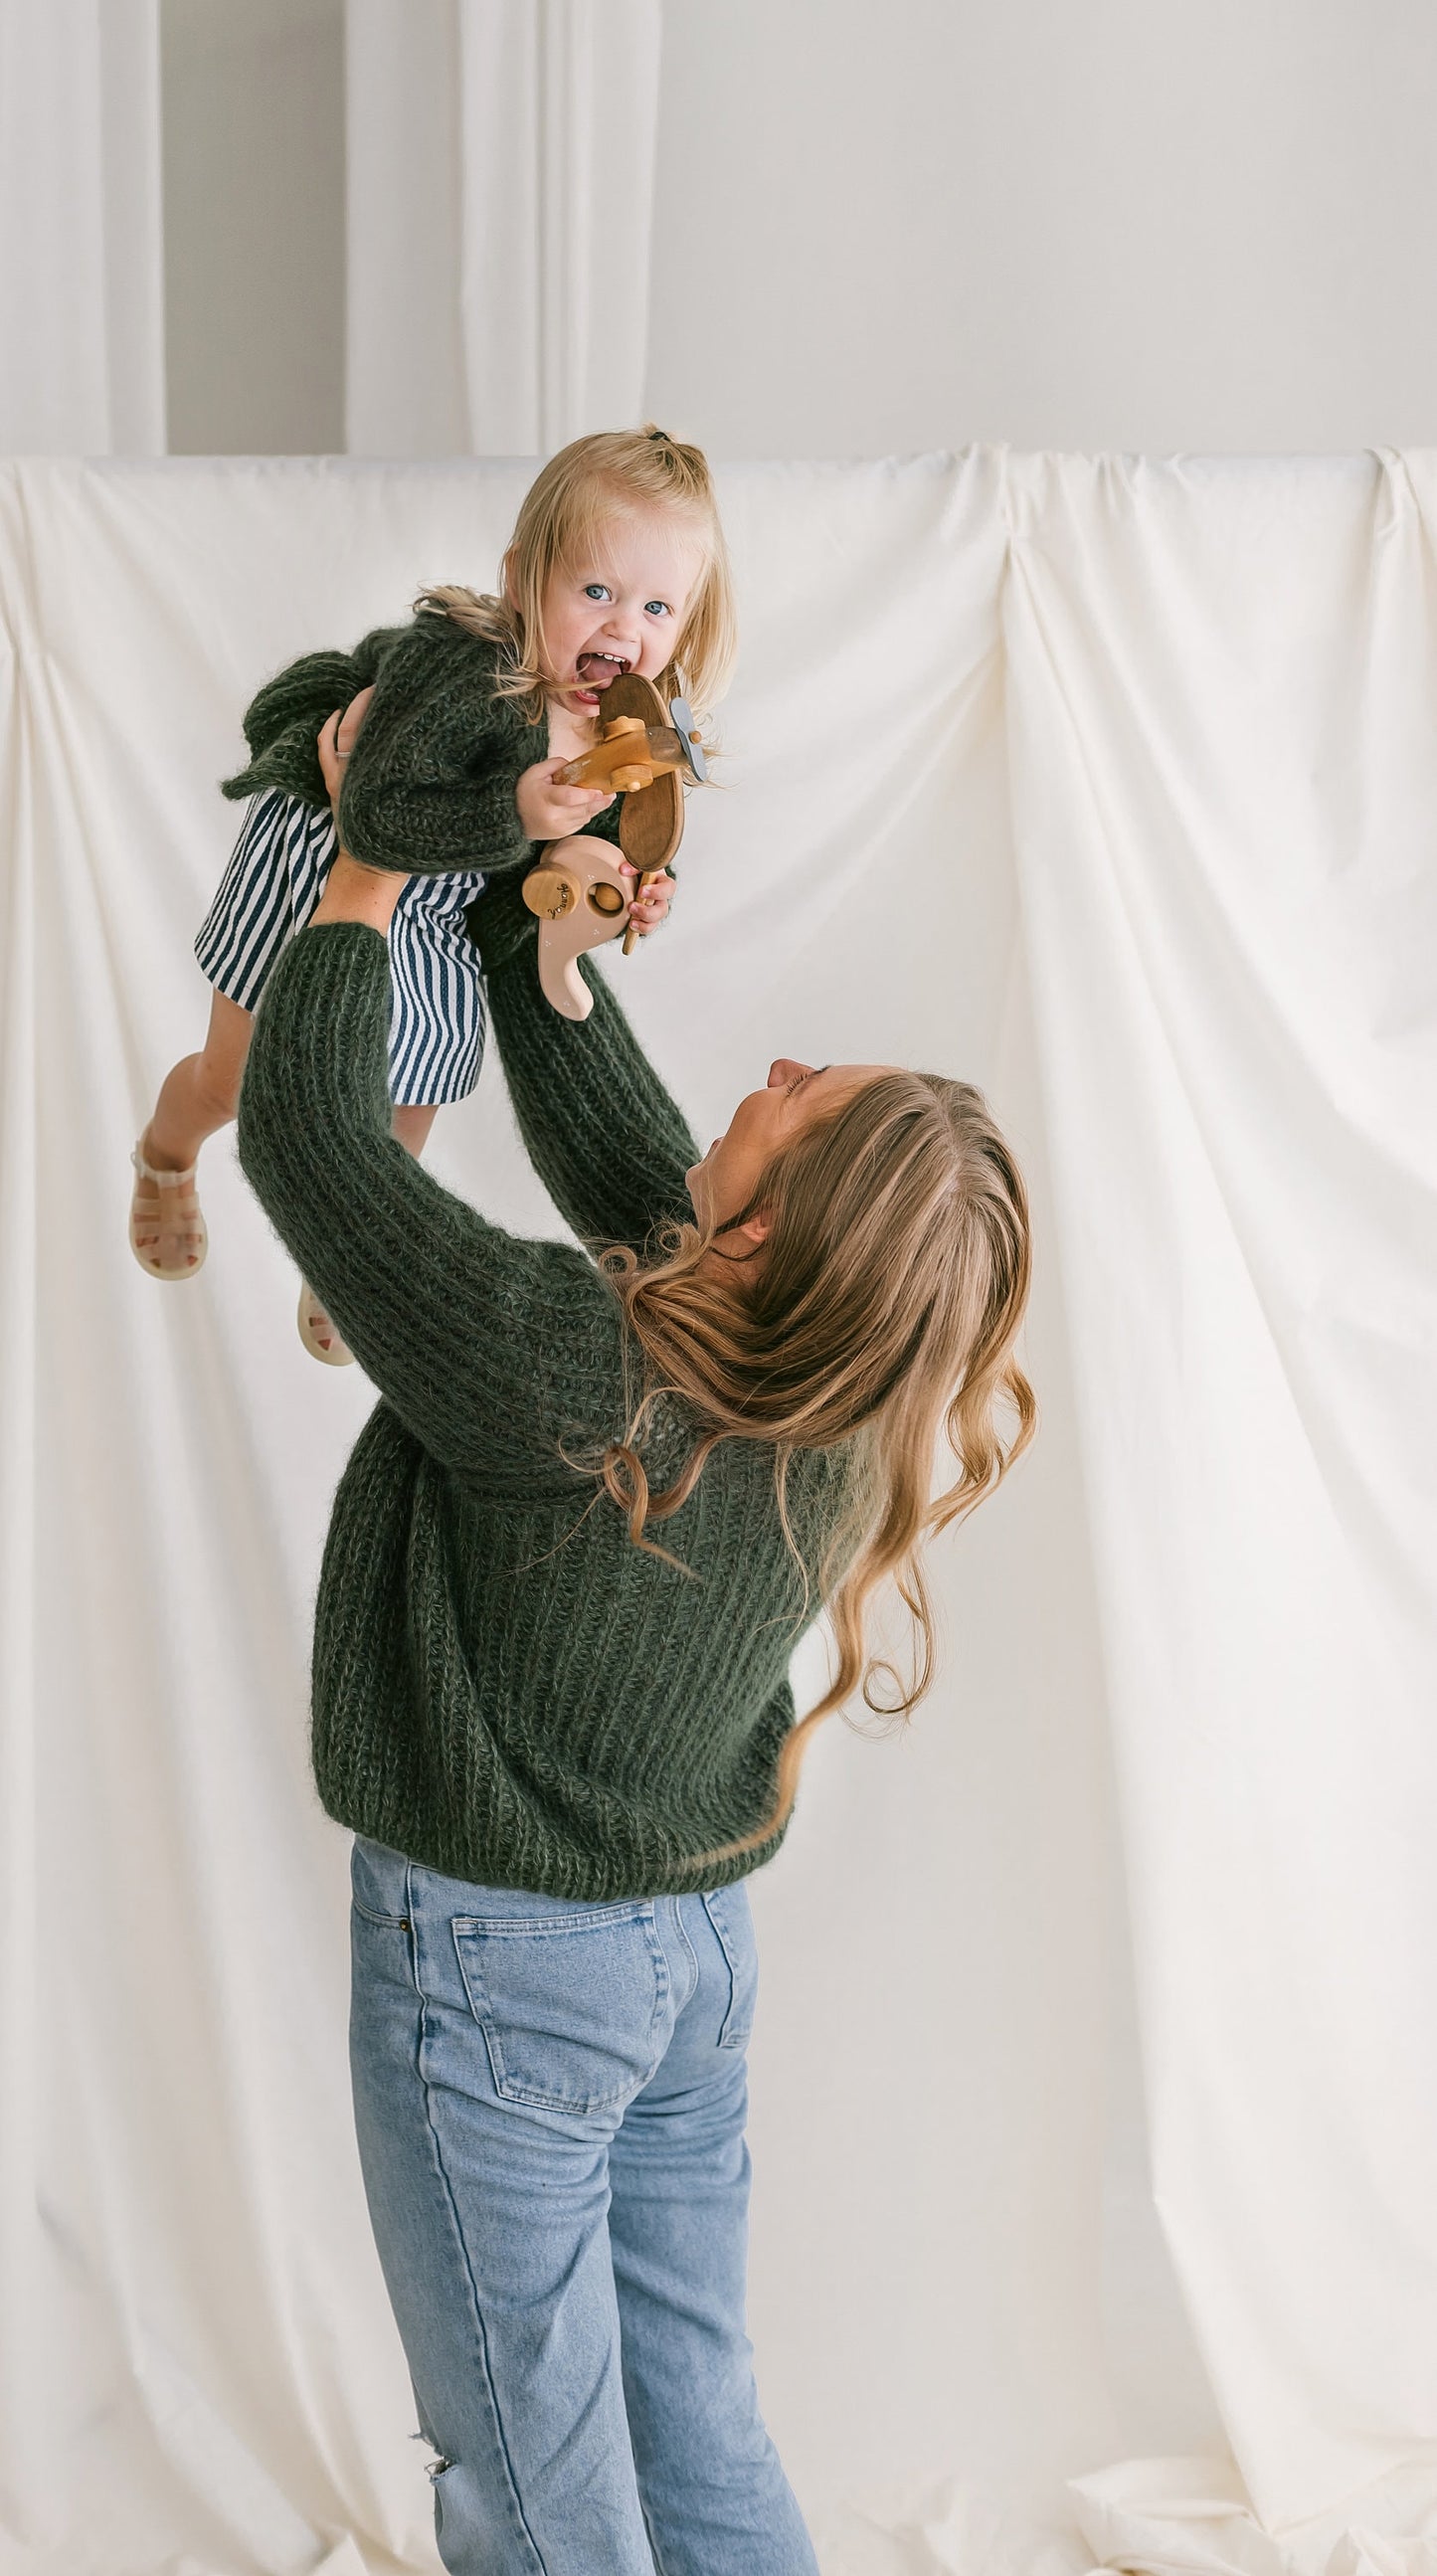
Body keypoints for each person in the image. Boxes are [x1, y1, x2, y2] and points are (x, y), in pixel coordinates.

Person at [235, 702, 1036, 2576]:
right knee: (694, 2427)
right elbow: (651, 1181)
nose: (772, 1063)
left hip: (503, 1969)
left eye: (802, 1092)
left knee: (531, 2487)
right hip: (683, 1956)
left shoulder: (568, 1362)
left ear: (773, 1239)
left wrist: (367, 855)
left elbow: (304, 1140)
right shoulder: (839, 1388)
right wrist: (539, 940)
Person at [129, 424, 733, 1363]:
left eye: (657, 606)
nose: (624, 627)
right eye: (597, 590)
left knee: (408, 1104)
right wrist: (518, 811)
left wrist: (626, 887)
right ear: (524, 574)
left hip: (440, 918)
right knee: (241, 1081)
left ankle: (350, 1256)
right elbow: (376, 810)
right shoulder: (460, 668)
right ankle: (166, 1152)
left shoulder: (628, 734)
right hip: (332, 862)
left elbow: (580, 860)